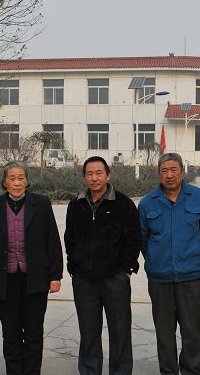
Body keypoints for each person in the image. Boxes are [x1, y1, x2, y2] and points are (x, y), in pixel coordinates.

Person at [0, 161, 63, 375]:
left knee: (34, 333)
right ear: (4, 182)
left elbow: (52, 240)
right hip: (5, 279)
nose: (17, 183)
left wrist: (55, 275)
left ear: (27, 181)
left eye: (21, 178)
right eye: (12, 178)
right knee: (11, 334)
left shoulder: (41, 203)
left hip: (35, 278)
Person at [64, 156, 141, 375]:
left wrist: (126, 270)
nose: (94, 178)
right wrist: (74, 267)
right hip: (84, 279)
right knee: (88, 332)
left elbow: (134, 238)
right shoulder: (76, 205)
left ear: (108, 175)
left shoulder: (123, 203)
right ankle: (90, 370)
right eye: (89, 173)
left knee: (120, 331)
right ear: (84, 177)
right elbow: (70, 238)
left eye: (99, 173)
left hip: (115, 277)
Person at [138, 153, 200, 375]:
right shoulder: (147, 203)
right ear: (158, 173)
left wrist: (196, 257)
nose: (169, 175)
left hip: (191, 277)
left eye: (173, 170)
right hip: (159, 278)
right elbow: (143, 239)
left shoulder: (199, 198)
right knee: (164, 333)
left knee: (191, 331)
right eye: (164, 171)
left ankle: (191, 371)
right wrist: (156, 260)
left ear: (182, 171)